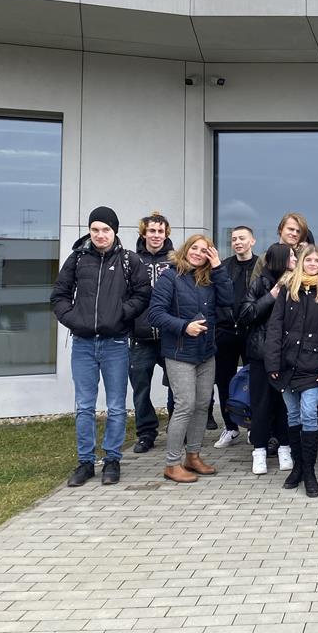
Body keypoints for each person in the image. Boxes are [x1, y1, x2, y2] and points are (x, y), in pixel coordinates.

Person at [52, 206, 151, 487]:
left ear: (114, 231)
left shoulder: (129, 260)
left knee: (116, 406)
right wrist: (73, 318)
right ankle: (85, 462)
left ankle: (112, 460)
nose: (100, 235)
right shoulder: (77, 259)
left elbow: (143, 293)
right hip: (83, 343)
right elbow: (59, 295)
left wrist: (121, 313)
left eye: (105, 229)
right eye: (95, 229)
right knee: (84, 406)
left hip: (115, 343)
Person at [147, 234, 233, 483]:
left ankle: (192, 456)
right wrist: (184, 326)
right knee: (185, 405)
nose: (198, 253)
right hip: (179, 352)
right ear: (186, 249)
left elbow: (228, 301)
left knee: (202, 405)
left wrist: (218, 267)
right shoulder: (169, 276)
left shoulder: (209, 278)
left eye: (204, 250)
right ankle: (172, 464)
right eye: (194, 248)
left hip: (206, 353)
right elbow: (155, 314)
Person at [265, 245, 318, 498]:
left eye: (316, 261)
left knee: (309, 413)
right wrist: (272, 362)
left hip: (313, 365)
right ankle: (297, 467)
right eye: (308, 260)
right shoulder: (288, 288)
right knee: (293, 415)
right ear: (300, 263)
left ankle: (309, 471)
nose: (312, 264)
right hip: (287, 364)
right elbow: (275, 327)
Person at [238, 243, 295, 475]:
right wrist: (272, 296)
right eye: (291, 256)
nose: (295, 259)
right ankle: (259, 451)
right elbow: (245, 315)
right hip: (261, 354)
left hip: (287, 354)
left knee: (285, 404)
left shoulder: (297, 283)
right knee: (261, 404)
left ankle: (285, 448)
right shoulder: (260, 283)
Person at [129, 211, 174, 454]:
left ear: (166, 234)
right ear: (143, 233)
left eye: (160, 231)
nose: (156, 235)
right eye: (151, 231)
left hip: (170, 336)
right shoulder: (132, 260)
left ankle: (176, 429)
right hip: (141, 337)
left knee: (176, 386)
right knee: (140, 388)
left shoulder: (177, 260)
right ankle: (146, 433)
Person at [211, 226, 259, 448]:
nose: (238, 242)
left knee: (254, 380)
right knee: (224, 380)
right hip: (226, 331)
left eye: (242, 238)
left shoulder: (260, 265)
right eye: (234, 239)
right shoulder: (224, 266)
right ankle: (230, 427)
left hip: (251, 331)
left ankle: (253, 426)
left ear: (252, 241)